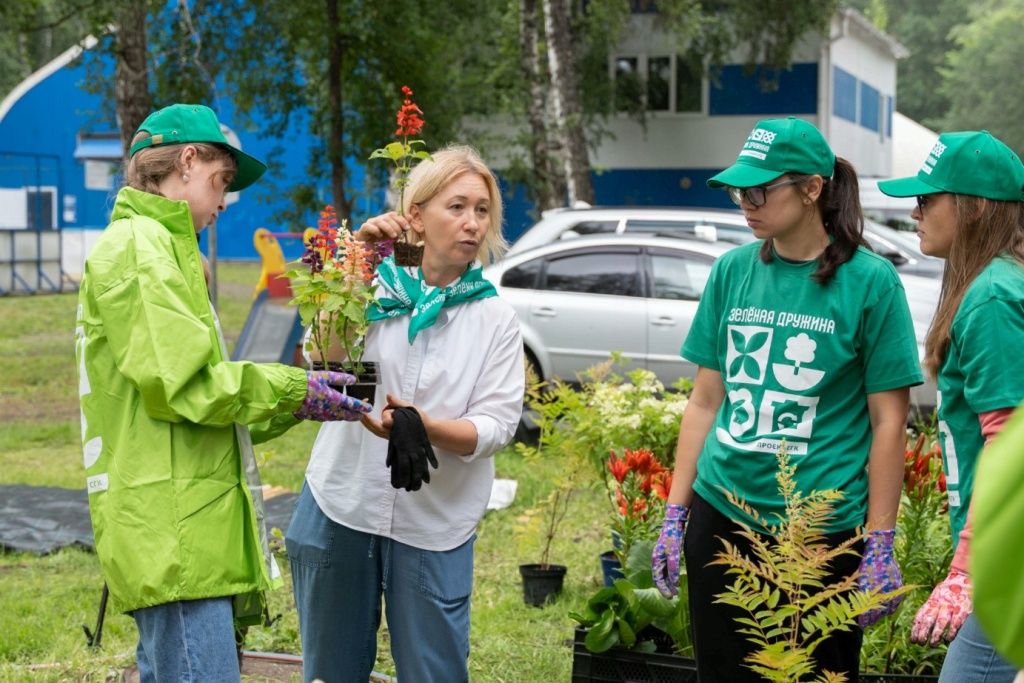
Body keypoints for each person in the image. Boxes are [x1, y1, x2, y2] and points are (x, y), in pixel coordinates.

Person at [75, 103, 370, 682]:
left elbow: (206, 407)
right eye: (221, 181)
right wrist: (293, 388)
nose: (224, 201)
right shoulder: (141, 249)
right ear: (187, 161)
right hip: (175, 528)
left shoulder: (155, 249)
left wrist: (299, 401)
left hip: (178, 515)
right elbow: (187, 387)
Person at [650, 117, 923, 682]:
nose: (744, 204)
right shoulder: (731, 271)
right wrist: (677, 512)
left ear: (812, 188)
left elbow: (888, 423)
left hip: (822, 532)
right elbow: (704, 402)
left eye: (758, 190)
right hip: (722, 515)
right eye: (737, 192)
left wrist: (880, 540)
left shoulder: (871, 283)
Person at [285, 144, 525, 683]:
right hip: (342, 502)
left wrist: (423, 427)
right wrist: (355, 267)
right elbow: (326, 365)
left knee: (433, 672)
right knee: (330, 671)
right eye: (456, 207)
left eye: (482, 210)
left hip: (435, 519)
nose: (471, 223)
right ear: (414, 215)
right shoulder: (374, 287)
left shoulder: (494, 318)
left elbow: (496, 424)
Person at [878, 129, 1024, 683]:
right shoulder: (991, 285)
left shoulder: (990, 298)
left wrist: (966, 569)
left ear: (976, 206)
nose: (915, 212)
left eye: (926, 199)